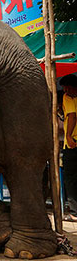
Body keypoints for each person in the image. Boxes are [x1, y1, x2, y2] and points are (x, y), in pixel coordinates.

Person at [61, 74, 77, 220]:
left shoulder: (68, 98)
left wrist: (68, 136)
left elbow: (72, 115)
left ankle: (74, 212)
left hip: (72, 144)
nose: (65, 90)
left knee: (71, 177)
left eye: (67, 87)